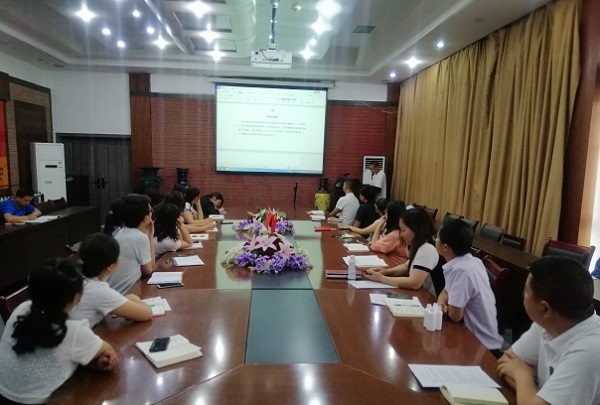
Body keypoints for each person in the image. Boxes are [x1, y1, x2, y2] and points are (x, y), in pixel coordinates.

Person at [0, 259, 119, 404]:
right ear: (76, 298)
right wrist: (97, 357)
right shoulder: (74, 331)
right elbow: (107, 350)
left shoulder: (21, 309)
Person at [497, 256, 600, 405]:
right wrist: (535, 395)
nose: (522, 295)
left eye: (526, 291)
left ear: (545, 308)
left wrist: (522, 374)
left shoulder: (589, 351)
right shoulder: (547, 323)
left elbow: (515, 369)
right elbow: (505, 362)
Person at [435, 219, 504, 352]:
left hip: (481, 344)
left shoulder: (461, 271)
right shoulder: (471, 261)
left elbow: (455, 316)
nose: (435, 240)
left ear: (445, 247)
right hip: (476, 333)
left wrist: (445, 305)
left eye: (437, 237)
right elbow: (446, 291)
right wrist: (440, 302)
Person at [70, 233, 153, 327]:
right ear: (111, 266)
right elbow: (147, 313)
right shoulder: (98, 290)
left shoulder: (77, 280)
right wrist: (134, 299)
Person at [363, 209, 441, 296]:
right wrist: (387, 272)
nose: (401, 235)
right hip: (420, 294)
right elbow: (407, 266)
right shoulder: (420, 246)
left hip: (429, 298)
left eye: (403, 230)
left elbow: (414, 283)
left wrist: (381, 278)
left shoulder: (427, 249)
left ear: (415, 229)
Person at [106, 194, 156, 294]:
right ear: (146, 218)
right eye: (150, 211)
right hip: (126, 293)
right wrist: (150, 237)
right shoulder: (139, 237)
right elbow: (149, 270)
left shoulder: (119, 231)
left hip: (115, 291)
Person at [368, 201, 409, 266]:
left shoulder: (395, 234)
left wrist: (379, 226)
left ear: (391, 215)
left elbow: (374, 246)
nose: (384, 215)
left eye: (386, 212)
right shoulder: (399, 231)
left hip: (395, 266)